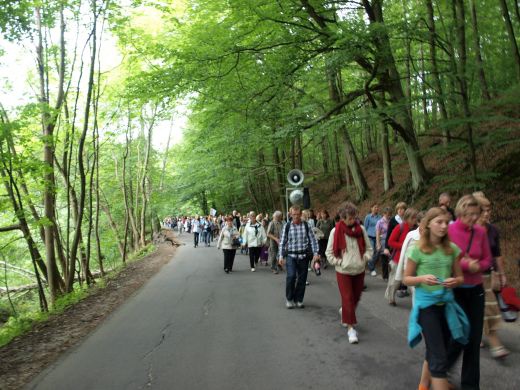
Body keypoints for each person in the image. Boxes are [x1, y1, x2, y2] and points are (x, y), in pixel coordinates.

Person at [404, 207, 467, 390]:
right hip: (426, 307)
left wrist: (454, 281)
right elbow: (407, 278)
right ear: (428, 224)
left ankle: (424, 385)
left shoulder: (452, 249)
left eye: (446, 222)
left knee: (437, 350)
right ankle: (439, 383)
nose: (443, 226)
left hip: (446, 305)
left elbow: (460, 278)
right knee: (439, 357)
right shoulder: (418, 249)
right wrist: (422, 279)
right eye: (439, 222)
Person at [445, 195, 492, 390]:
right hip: (455, 291)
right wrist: (466, 264)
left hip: (476, 291)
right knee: (458, 336)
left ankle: (470, 385)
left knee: (473, 340)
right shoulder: (449, 230)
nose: (474, 218)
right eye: (469, 214)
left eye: (476, 214)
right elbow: (445, 256)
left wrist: (477, 266)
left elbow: (487, 260)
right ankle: (439, 369)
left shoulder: (480, 232)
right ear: (460, 213)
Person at [325, 202, 372, 344]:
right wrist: (340, 262)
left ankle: (345, 311)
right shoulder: (335, 231)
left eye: (354, 217)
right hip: (343, 271)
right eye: (350, 218)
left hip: (359, 269)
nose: (353, 220)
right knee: (348, 298)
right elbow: (329, 253)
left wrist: (365, 258)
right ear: (343, 218)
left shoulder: (361, 229)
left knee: (356, 298)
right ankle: (351, 329)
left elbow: (369, 249)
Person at [473, 193, 509, 358]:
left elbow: (497, 254)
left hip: (489, 275)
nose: (487, 213)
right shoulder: (470, 230)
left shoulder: (493, 229)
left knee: (489, 307)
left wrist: (502, 274)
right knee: (485, 308)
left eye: (488, 209)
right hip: (472, 276)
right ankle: (494, 342)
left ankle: (482, 334)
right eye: (483, 210)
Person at [278, 205, 320, 309]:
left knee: (302, 279)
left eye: (297, 214)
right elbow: (282, 242)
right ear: (290, 214)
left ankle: (299, 299)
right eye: (294, 214)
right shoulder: (287, 226)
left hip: (303, 256)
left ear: (301, 214)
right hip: (291, 256)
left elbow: (313, 240)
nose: (296, 216)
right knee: (291, 276)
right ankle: (289, 299)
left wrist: (315, 253)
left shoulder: (306, 225)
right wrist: (280, 256)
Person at [386, 208, 418, 306]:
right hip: (398, 259)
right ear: (407, 218)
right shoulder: (400, 227)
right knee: (395, 281)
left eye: (416, 218)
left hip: (411, 260)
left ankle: (416, 302)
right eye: (413, 218)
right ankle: (391, 298)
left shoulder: (416, 229)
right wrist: (404, 246)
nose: (415, 220)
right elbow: (390, 241)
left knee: (413, 282)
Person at [364, 204, 381, 276]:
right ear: (371, 208)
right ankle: (372, 269)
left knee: (378, 252)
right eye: (375, 207)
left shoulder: (380, 217)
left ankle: (370, 263)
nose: (376, 208)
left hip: (377, 237)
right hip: (369, 236)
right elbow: (365, 227)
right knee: (372, 251)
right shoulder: (368, 217)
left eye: (377, 207)